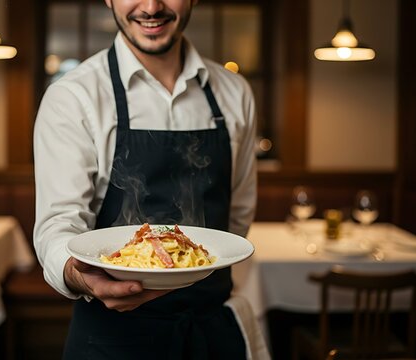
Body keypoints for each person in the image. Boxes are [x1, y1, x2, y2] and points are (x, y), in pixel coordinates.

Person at [33, 0, 257, 358]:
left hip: (212, 334)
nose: (151, 7)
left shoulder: (234, 92)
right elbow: (58, 225)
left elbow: (238, 216)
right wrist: (81, 276)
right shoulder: (73, 96)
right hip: (112, 340)